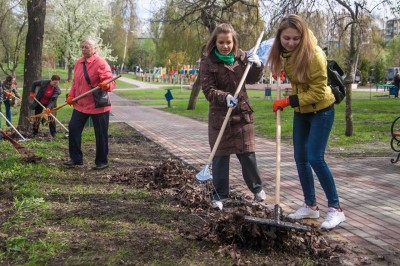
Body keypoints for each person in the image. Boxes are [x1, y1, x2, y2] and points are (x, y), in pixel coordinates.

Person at [267, 14, 345, 230]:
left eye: (295, 38)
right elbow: (301, 81)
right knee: (300, 158)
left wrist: (288, 100)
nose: (291, 43)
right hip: (302, 111)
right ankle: (310, 205)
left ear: (303, 37)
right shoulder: (285, 54)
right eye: (286, 38)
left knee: (315, 158)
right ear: (279, 38)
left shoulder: (315, 55)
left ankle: (336, 209)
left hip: (322, 110)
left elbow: (319, 92)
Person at [200, 23, 266, 210]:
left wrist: (257, 65)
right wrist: (224, 97)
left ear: (234, 41)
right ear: (215, 42)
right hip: (220, 115)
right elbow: (208, 89)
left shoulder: (243, 57)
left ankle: (257, 189)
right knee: (220, 156)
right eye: (221, 42)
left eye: (228, 42)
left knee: (247, 153)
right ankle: (220, 195)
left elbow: (252, 79)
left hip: (242, 114)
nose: (225, 46)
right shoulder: (208, 61)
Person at [64, 38, 116, 170]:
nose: (84, 49)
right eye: (82, 47)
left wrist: (106, 85)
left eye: (87, 47)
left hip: (98, 106)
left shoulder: (100, 63)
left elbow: (111, 82)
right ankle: (76, 158)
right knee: (73, 127)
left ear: (95, 49)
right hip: (81, 105)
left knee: (101, 134)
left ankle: (101, 161)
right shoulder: (78, 63)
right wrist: (71, 96)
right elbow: (76, 83)